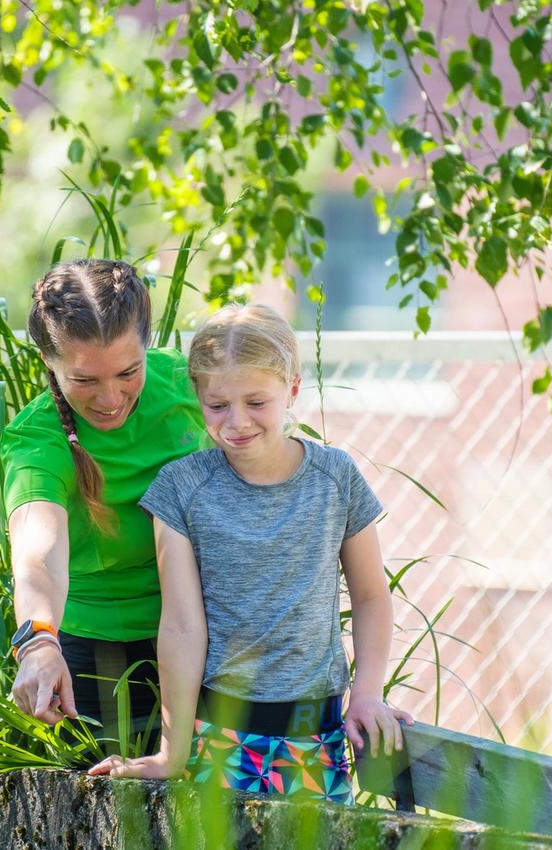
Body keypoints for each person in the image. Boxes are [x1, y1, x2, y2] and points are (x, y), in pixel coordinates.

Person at [88, 303, 413, 803]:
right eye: (217, 406)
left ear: (293, 389)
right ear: (198, 399)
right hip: (217, 736)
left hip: (316, 739)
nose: (236, 422)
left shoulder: (336, 478)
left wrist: (367, 692)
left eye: (257, 402)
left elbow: (371, 596)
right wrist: (172, 752)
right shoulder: (180, 489)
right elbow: (180, 624)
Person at [1, 258, 204, 750]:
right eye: (85, 380)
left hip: (209, 640)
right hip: (97, 665)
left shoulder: (189, 386)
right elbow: (38, 552)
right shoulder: (37, 439)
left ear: (147, 345)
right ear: (49, 361)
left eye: (128, 371)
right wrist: (39, 642)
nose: (111, 398)